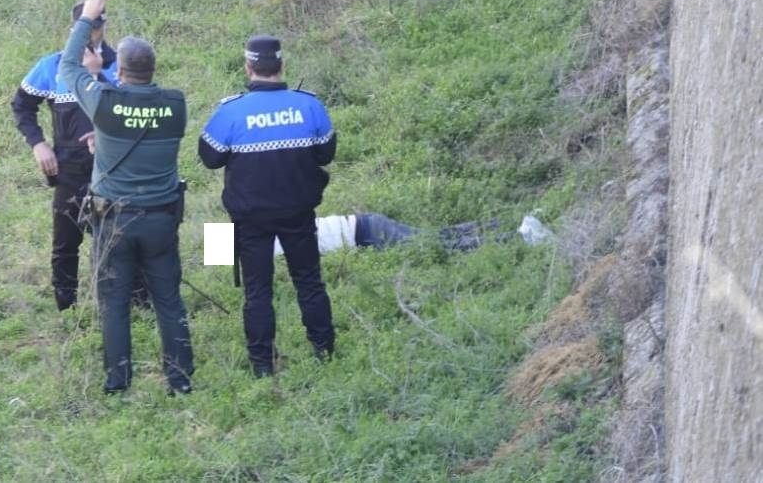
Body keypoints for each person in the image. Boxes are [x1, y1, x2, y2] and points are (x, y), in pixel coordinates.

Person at [59, 0, 193, 396]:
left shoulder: (104, 103)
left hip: (114, 219)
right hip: (161, 218)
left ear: (121, 72)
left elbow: (68, 66)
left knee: (114, 304)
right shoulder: (175, 104)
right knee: (169, 300)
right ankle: (180, 380)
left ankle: (118, 382)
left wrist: (86, 20)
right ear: (152, 69)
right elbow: (138, 118)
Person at [199, 34, 336, 378]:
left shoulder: (230, 111)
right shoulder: (309, 106)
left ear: (248, 67)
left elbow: (210, 158)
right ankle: (325, 352)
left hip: (250, 218)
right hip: (299, 212)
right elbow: (326, 153)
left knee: (257, 290)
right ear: (282, 66)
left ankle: (262, 365)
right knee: (309, 281)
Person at [11, 1, 118, 312]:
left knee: (118, 237)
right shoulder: (52, 66)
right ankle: (66, 307)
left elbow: (130, 108)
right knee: (66, 240)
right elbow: (22, 106)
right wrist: (38, 144)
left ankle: (131, 303)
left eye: (95, 27)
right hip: (69, 166)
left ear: (103, 28)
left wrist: (98, 77)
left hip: (112, 167)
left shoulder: (120, 64)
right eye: (82, 28)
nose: (90, 34)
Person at [272, 212, 548, 257]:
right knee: (441, 237)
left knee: (447, 247)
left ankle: (520, 236)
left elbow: (232, 247)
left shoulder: (262, 243)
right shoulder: (270, 232)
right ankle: (504, 223)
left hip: (369, 233)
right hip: (367, 223)